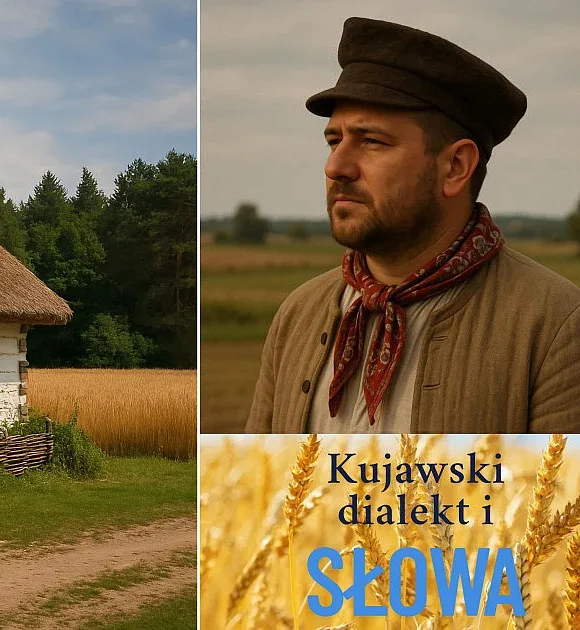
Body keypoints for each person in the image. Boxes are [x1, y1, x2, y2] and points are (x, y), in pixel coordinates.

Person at [245, 17, 580, 434]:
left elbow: (557, 499)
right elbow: (255, 495)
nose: (336, 166)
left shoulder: (557, 325)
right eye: (334, 141)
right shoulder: (299, 313)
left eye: (372, 141)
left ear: (455, 166)